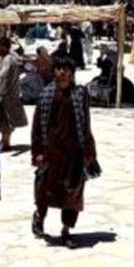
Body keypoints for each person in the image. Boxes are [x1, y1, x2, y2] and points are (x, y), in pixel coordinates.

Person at [31, 58, 98, 249]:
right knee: (45, 190)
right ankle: (39, 216)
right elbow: (37, 126)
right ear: (54, 71)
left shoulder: (80, 94)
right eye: (59, 68)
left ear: (71, 72)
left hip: (74, 152)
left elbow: (86, 122)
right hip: (51, 152)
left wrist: (88, 149)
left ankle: (66, 230)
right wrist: (37, 152)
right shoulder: (45, 95)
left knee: (72, 193)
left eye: (66, 69)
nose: (62, 72)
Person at [0, 38, 28, 151]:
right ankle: (4, 140)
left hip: (6, 94)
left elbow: (4, 72)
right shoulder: (9, 58)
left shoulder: (8, 59)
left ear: (4, 47)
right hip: (8, 93)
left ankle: (6, 142)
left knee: (5, 120)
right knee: (4, 119)